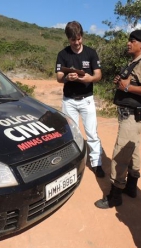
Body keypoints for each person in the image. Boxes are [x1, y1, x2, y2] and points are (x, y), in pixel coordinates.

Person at [95, 30, 141, 209]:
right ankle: (131, 186)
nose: (128, 43)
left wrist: (128, 88)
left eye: (132, 41)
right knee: (133, 151)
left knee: (120, 154)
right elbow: (129, 84)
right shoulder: (134, 63)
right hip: (130, 115)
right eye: (129, 40)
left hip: (132, 117)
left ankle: (115, 195)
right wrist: (121, 82)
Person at [55, 21, 104, 178]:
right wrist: (68, 77)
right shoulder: (63, 54)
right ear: (68, 39)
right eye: (73, 40)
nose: (76, 43)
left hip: (87, 99)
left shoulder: (90, 53)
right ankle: (73, 164)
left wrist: (88, 78)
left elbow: (98, 75)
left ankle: (96, 163)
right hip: (69, 100)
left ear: (82, 36)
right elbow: (59, 78)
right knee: (71, 134)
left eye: (79, 39)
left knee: (92, 133)